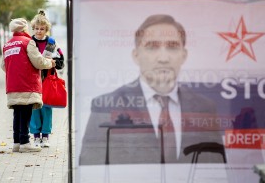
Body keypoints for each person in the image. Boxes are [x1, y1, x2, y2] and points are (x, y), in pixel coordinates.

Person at [80, 14, 223, 165]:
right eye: (152, 47)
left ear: (184, 55)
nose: (163, 58)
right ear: (136, 55)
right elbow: (90, 167)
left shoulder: (205, 107)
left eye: (172, 47)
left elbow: (215, 167)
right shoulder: (106, 105)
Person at [1, 18, 55, 153]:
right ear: (25, 29)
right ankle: (25, 141)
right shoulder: (27, 42)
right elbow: (38, 62)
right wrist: (50, 63)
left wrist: (15, 70)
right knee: (26, 112)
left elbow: (3, 65)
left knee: (17, 112)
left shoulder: (7, 44)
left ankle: (17, 142)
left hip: (12, 84)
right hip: (27, 84)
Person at [29, 10, 65, 148]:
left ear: (46, 29)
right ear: (33, 28)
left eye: (42, 29)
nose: (39, 31)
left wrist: (54, 60)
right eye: (37, 28)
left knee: (47, 108)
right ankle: (36, 137)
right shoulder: (29, 42)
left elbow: (61, 60)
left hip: (47, 79)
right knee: (34, 107)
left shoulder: (51, 42)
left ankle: (45, 136)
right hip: (32, 79)